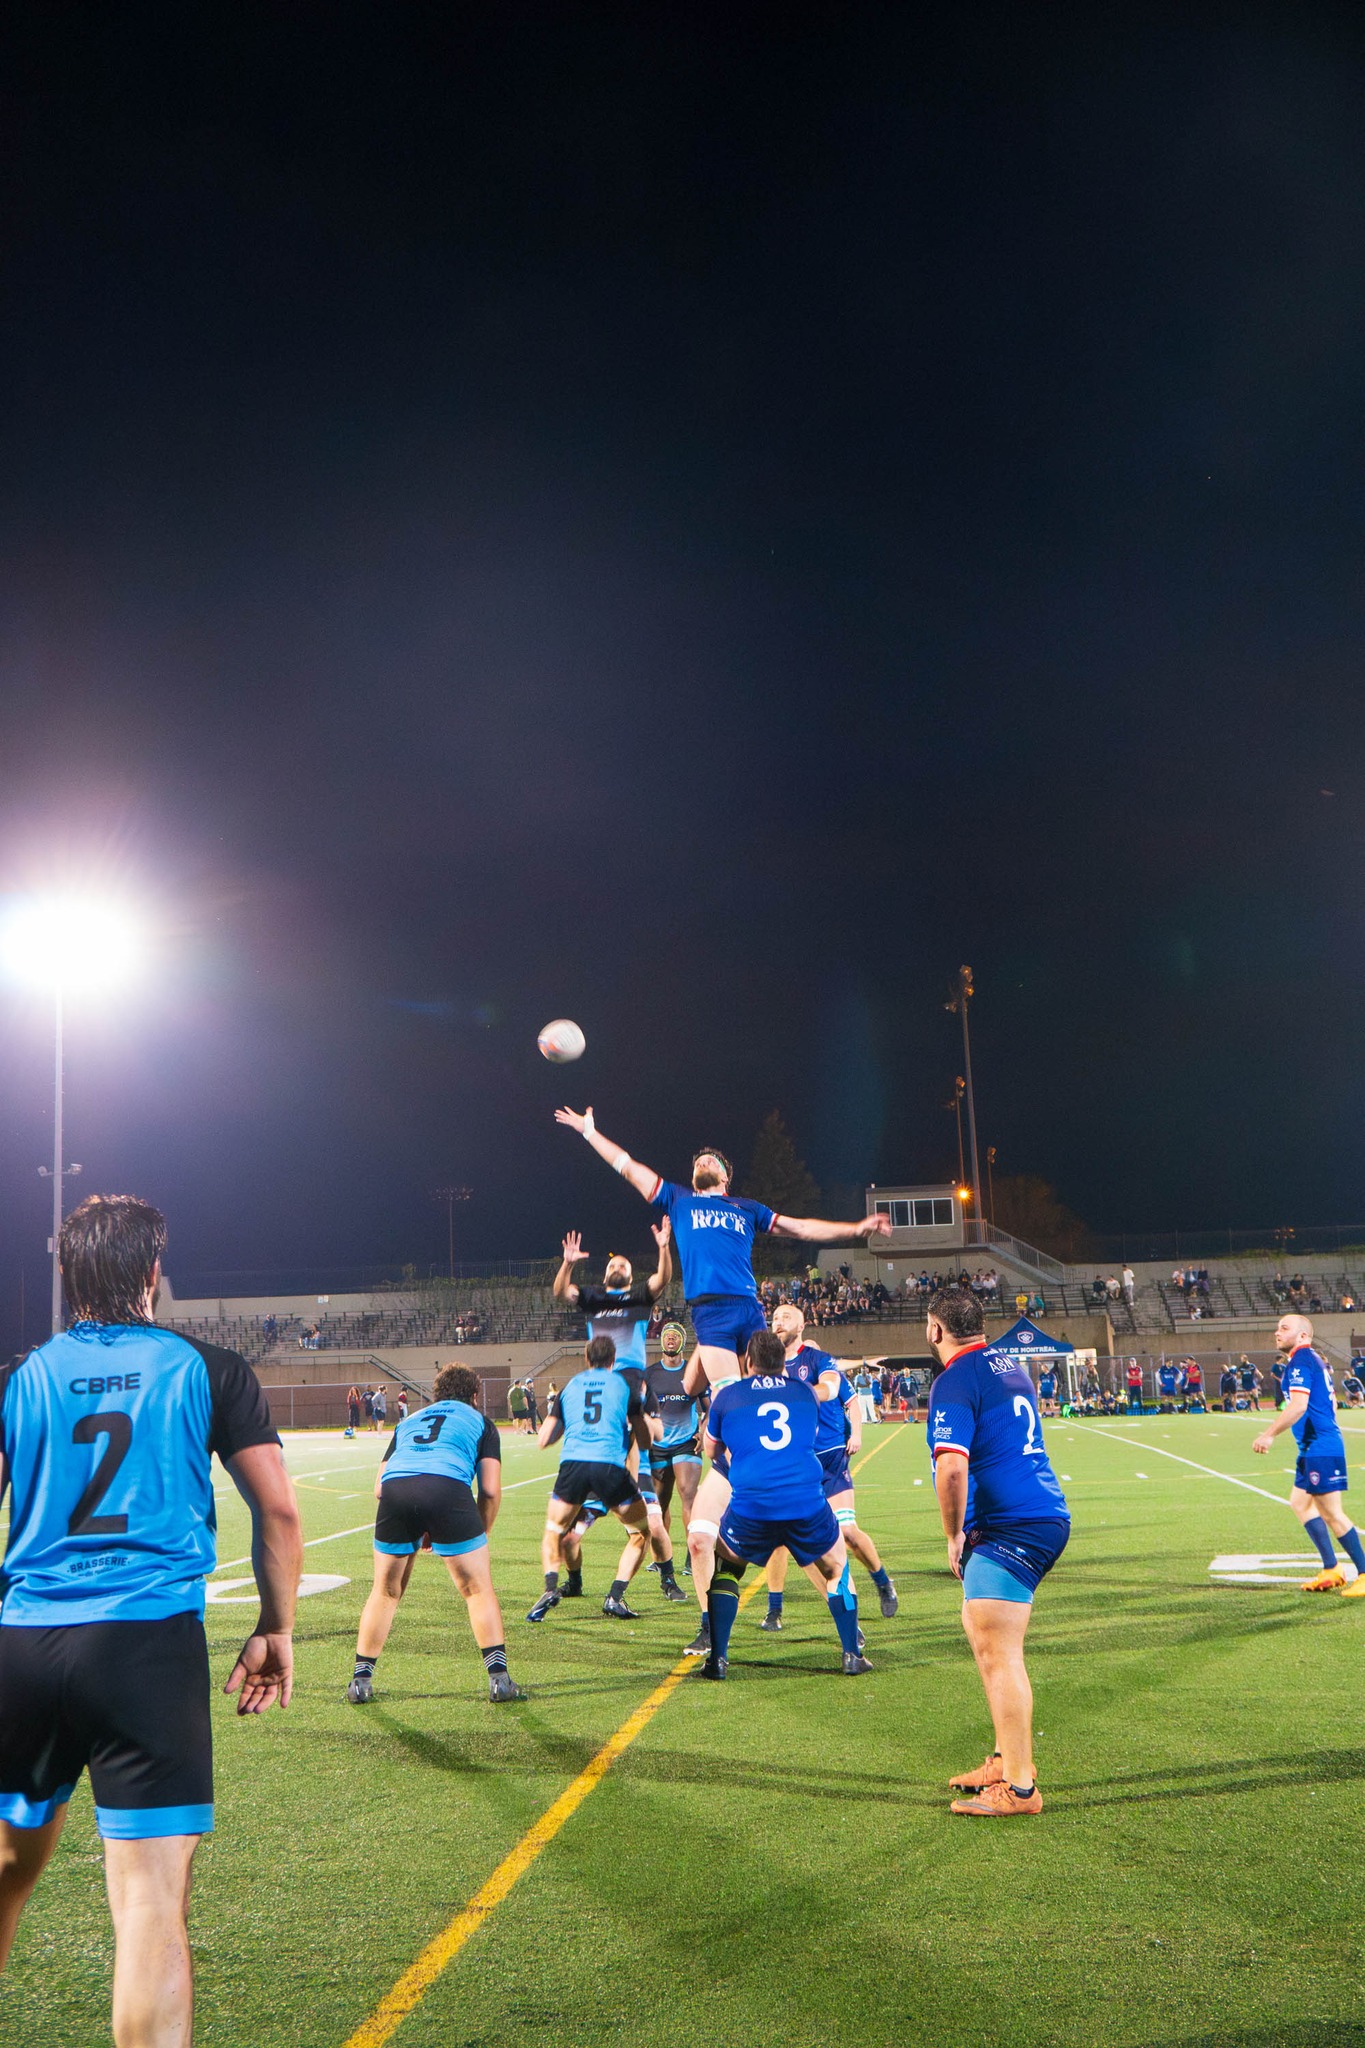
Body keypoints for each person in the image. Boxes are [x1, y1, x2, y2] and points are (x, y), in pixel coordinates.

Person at [0, 1194, 301, 2045]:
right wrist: (275, 1630)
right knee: (145, 1900)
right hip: (144, 1645)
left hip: (22, 1643)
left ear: (67, 1277)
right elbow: (275, 1512)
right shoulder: (207, 1367)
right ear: (153, 1273)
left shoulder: (23, 1376)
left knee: (7, 1868)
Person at [553, 1106, 889, 1646]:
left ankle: (777, 1491)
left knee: (761, 1397)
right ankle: (736, 1492)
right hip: (709, 1314)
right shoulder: (677, 1200)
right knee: (730, 1398)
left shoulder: (745, 1207)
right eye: (697, 1160)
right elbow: (629, 1165)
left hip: (748, 1311)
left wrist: (855, 1226)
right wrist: (592, 1132)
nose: (702, 1161)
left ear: (725, 1176)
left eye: (711, 1159)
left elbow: (800, 1226)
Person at [927, 1285, 1070, 1817]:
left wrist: (952, 1534)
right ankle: (1005, 1759)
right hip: (1032, 1514)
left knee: (998, 1652)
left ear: (935, 1329)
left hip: (1013, 1524)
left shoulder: (955, 1378)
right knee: (984, 1638)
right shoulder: (1009, 1365)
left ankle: (1020, 1788)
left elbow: (952, 1467)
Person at [347, 1363, 524, 1705]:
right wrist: (475, 1532)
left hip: (396, 1492)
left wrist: (421, 1522)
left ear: (436, 1394)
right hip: (446, 1489)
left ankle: (360, 1682)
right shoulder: (481, 1423)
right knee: (476, 1588)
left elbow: (379, 1488)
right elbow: (489, 1489)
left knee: (384, 1591)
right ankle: (499, 1679)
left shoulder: (410, 1421)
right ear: (475, 1395)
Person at [699, 1330, 871, 1680]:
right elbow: (829, 1393)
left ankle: (717, 1659)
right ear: (783, 1363)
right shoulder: (804, 1392)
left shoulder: (727, 1396)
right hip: (805, 1501)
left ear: (749, 1362)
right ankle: (852, 1654)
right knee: (837, 1568)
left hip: (751, 1505)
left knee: (728, 1568)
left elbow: (711, 1451)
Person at [761, 1305, 897, 1633]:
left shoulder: (818, 1360)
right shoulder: (766, 1366)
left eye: (786, 1316)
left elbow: (835, 1389)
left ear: (803, 1324)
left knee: (847, 1533)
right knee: (794, 1544)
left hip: (831, 1456)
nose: (779, 1321)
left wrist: (856, 1432)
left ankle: (882, 1580)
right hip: (793, 1465)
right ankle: (785, 1610)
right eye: (775, 1317)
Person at [528, 1336, 660, 1622]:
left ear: (586, 1359)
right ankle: (614, 1596)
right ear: (613, 1361)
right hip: (609, 1467)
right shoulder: (625, 1386)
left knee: (554, 1529)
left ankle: (551, 1588)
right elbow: (647, 1440)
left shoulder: (570, 1386)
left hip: (573, 1466)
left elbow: (544, 1439)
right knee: (640, 1533)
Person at [1253, 1314, 1365, 1597]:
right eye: (1277, 1327)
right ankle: (1332, 1569)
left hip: (1321, 1448)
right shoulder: (1307, 1360)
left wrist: (1269, 1434)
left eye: (1285, 1328)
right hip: (1313, 1447)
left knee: (1331, 1513)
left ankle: (1364, 1572)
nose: (1277, 1332)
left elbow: (1299, 1405)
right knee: (1300, 1503)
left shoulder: (1302, 1359)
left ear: (1303, 1336)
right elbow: (1331, 1404)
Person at [553, 1223, 673, 1374]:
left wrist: (663, 1248)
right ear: (604, 1277)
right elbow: (560, 1292)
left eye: (623, 1267)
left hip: (631, 1373)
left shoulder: (640, 1295)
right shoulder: (592, 1297)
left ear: (631, 1278)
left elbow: (662, 1279)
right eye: (612, 1266)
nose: (617, 1268)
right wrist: (567, 1264)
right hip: (601, 1373)